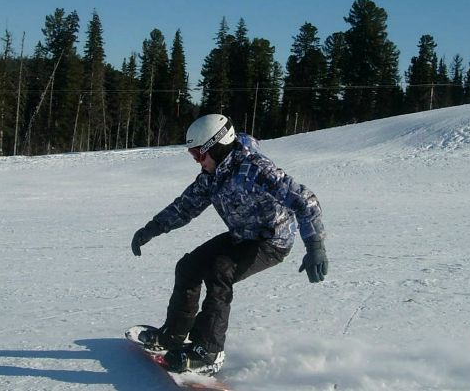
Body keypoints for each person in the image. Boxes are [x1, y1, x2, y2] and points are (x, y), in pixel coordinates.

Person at [131, 114, 328, 375]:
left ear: (218, 146)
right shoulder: (212, 175)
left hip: (271, 241)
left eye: (199, 154)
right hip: (241, 235)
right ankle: (172, 336)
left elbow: (305, 200)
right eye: (192, 154)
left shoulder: (256, 168)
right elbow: (185, 207)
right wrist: (150, 229)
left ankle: (208, 351)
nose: (196, 161)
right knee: (188, 266)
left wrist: (315, 246)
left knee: (220, 270)